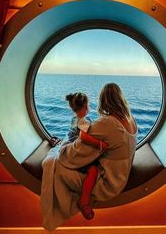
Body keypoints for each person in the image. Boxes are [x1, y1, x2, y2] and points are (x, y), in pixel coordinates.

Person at [41, 83, 137, 231]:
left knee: (54, 166)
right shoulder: (131, 119)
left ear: (103, 100)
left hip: (107, 182)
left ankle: (80, 202)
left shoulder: (107, 123)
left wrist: (61, 146)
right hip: (119, 176)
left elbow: (72, 157)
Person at [65, 92, 108, 220]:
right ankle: (83, 201)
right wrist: (99, 143)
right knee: (93, 170)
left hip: (71, 148)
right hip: (76, 154)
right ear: (86, 107)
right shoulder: (84, 120)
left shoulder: (74, 119)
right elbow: (83, 136)